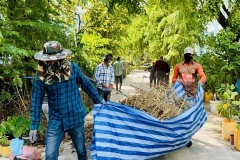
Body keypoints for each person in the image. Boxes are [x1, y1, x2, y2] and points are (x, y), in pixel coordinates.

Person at [29, 41, 103, 160]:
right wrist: (34, 126)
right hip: (56, 120)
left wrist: (99, 101)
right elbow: (36, 100)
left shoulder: (73, 68)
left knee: (81, 150)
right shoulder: (41, 76)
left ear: (61, 57)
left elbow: (86, 84)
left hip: (75, 116)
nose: (52, 62)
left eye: (54, 59)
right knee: (50, 155)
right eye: (48, 60)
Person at [172, 46, 206, 147]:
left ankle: (188, 138)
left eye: (189, 55)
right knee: (180, 118)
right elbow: (173, 78)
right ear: (184, 55)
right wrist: (176, 80)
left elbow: (203, 75)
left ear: (192, 55)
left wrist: (201, 81)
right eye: (186, 55)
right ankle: (181, 138)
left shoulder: (197, 66)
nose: (188, 56)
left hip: (192, 96)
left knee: (189, 119)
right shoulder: (178, 66)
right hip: (181, 96)